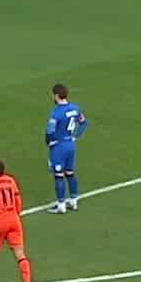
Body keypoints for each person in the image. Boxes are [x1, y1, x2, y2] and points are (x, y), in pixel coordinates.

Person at [46, 82, 88, 212]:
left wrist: (50, 142)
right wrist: (75, 137)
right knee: (70, 173)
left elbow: (50, 131)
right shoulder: (75, 108)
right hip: (70, 145)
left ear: (57, 96)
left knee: (58, 175)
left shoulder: (56, 112)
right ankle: (74, 201)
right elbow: (84, 123)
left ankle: (61, 206)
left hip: (59, 147)